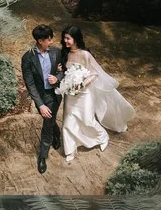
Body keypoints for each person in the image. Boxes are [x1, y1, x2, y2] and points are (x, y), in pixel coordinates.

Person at [55, 27, 134, 161]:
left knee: (87, 120)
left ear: (76, 38)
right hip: (71, 94)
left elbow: (94, 73)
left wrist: (81, 85)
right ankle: (70, 149)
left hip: (85, 94)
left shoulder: (85, 55)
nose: (65, 41)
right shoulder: (65, 54)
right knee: (68, 121)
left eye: (68, 38)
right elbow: (65, 72)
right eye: (64, 38)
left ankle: (102, 137)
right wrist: (60, 71)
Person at [19, 26, 61, 175]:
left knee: (47, 125)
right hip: (41, 96)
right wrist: (41, 105)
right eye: (48, 39)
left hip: (55, 94)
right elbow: (30, 84)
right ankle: (57, 133)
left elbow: (63, 71)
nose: (51, 41)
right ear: (40, 41)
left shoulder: (56, 52)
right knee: (50, 118)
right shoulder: (27, 58)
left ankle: (42, 156)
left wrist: (58, 78)